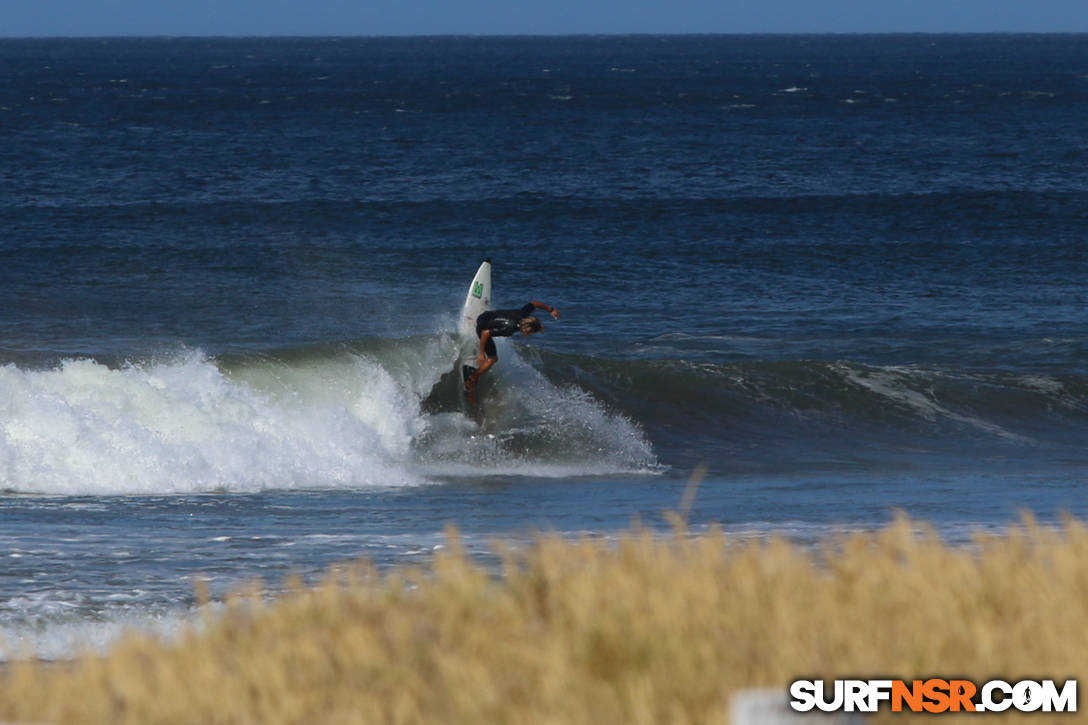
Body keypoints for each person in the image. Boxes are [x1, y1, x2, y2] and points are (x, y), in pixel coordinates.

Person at [465, 300, 560, 401]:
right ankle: (473, 378)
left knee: (491, 333)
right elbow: (485, 333)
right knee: (493, 358)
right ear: (528, 328)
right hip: (482, 327)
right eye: (531, 332)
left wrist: (551, 310)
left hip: (484, 315)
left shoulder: (524, 314)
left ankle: (473, 322)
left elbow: (535, 303)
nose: (530, 334)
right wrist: (481, 353)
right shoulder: (509, 328)